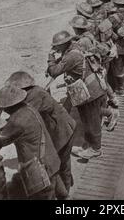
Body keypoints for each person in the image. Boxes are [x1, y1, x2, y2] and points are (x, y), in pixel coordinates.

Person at [5, 71, 76, 199]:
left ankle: (65, 193)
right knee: (57, 164)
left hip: (63, 131)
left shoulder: (34, 96)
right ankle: (64, 193)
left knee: (61, 164)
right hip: (59, 129)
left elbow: (20, 118)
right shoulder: (33, 92)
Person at [47, 31, 106, 160]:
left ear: (64, 44)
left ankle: (96, 149)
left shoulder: (71, 56)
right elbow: (65, 60)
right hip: (88, 87)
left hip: (89, 91)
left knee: (91, 121)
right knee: (88, 118)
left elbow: (54, 71)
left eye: (57, 46)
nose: (55, 48)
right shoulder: (75, 46)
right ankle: (107, 115)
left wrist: (50, 58)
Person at [0, 84, 61, 200]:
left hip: (41, 170)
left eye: (3, 107)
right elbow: (11, 123)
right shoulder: (28, 108)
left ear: (9, 107)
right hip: (51, 162)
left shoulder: (18, 121)